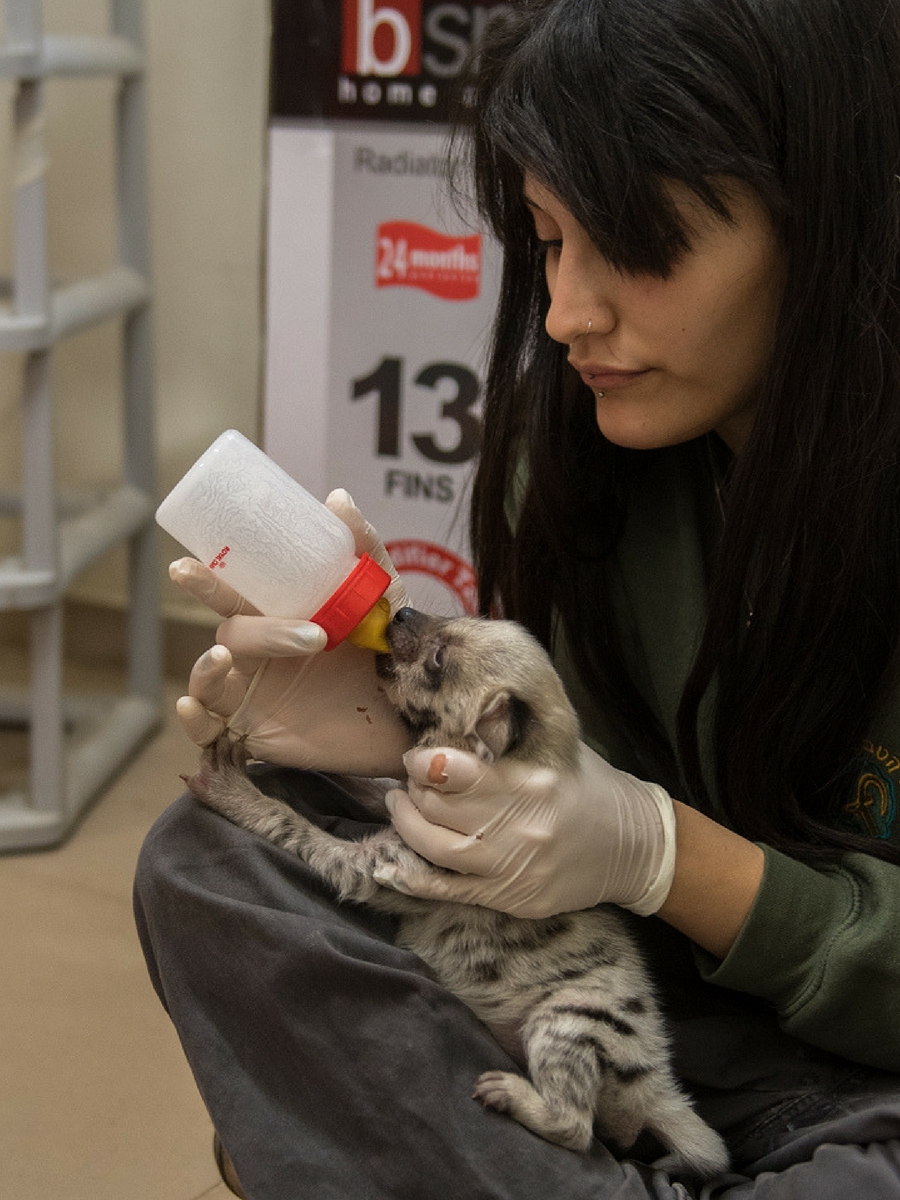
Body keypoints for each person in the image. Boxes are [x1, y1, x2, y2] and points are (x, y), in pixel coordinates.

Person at [134, 0, 900, 1196]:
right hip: (633, 1017)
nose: (568, 314)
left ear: (835, 220)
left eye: (641, 245)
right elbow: (540, 827)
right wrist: (380, 748)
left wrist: (662, 855)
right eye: (548, 242)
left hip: (867, 1077)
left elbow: (614, 847)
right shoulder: (593, 455)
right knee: (209, 859)